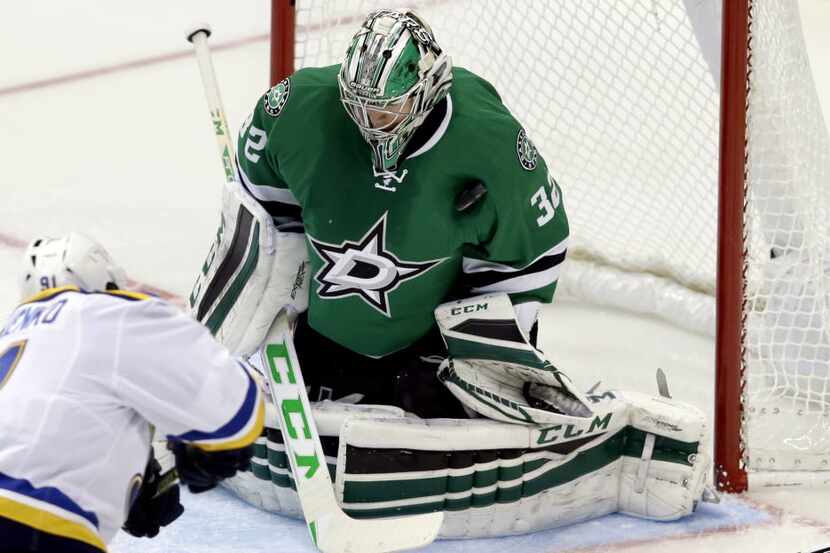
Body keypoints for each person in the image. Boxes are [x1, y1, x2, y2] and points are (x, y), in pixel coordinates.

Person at [192, 7, 576, 420]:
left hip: (425, 351)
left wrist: (478, 356)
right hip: (319, 338)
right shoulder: (296, 110)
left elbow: (535, 254)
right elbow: (261, 217)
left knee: (430, 408)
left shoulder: (491, 145)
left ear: (426, 90)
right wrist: (269, 296)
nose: (368, 121)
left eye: (385, 109)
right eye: (357, 105)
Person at [0, 233, 264, 553]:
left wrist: (132, 483)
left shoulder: (13, 338)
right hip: (34, 523)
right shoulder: (106, 312)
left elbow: (55, 421)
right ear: (107, 283)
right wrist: (214, 451)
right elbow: (233, 410)